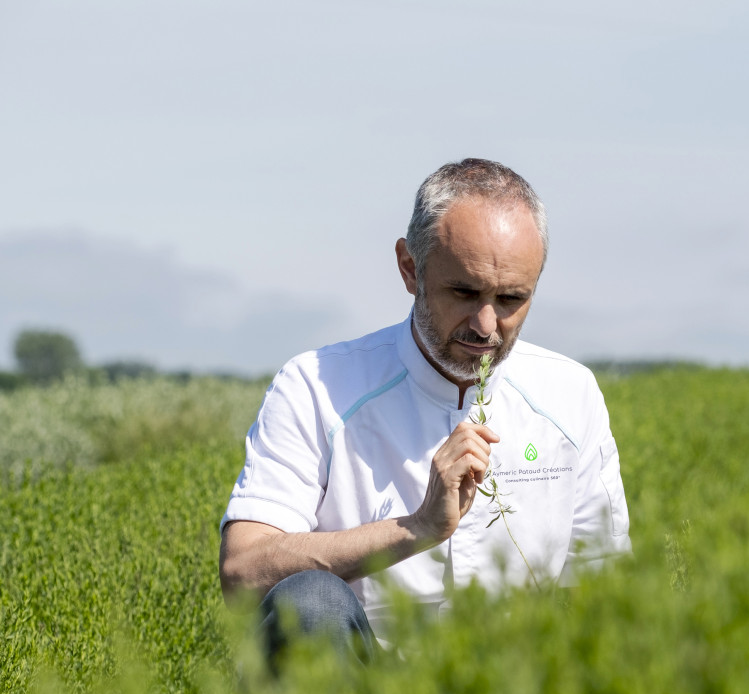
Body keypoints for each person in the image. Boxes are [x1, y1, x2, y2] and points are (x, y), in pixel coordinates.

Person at [218, 159, 631, 663]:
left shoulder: (570, 394)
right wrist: (416, 529)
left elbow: (602, 589)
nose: (486, 325)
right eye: (464, 292)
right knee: (310, 602)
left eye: (511, 299)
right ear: (409, 268)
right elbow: (243, 572)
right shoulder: (316, 386)